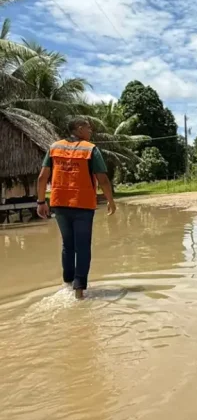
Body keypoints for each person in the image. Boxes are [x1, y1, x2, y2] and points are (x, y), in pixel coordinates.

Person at [37, 117, 116, 300]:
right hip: (82, 204)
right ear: (79, 129)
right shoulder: (90, 149)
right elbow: (102, 179)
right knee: (82, 246)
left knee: (67, 244)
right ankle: (79, 290)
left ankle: (67, 284)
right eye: (89, 128)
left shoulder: (54, 148)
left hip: (59, 203)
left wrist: (41, 202)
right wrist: (111, 201)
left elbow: (42, 177)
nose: (91, 131)